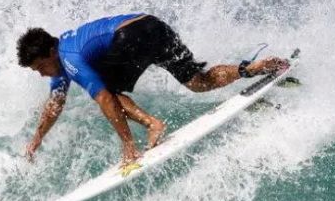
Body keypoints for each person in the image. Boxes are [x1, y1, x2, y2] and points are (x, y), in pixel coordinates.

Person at [17, 13, 288, 165]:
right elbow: (55, 103)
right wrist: (37, 139)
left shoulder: (69, 57)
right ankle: (252, 69)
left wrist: (128, 146)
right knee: (198, 82)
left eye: (39, 66)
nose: (40, 73)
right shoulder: (63, 56)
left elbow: (104, 98)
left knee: (106, 91)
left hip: (131, 36)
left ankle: (153, 124)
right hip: (152, 25)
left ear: (51, 52)